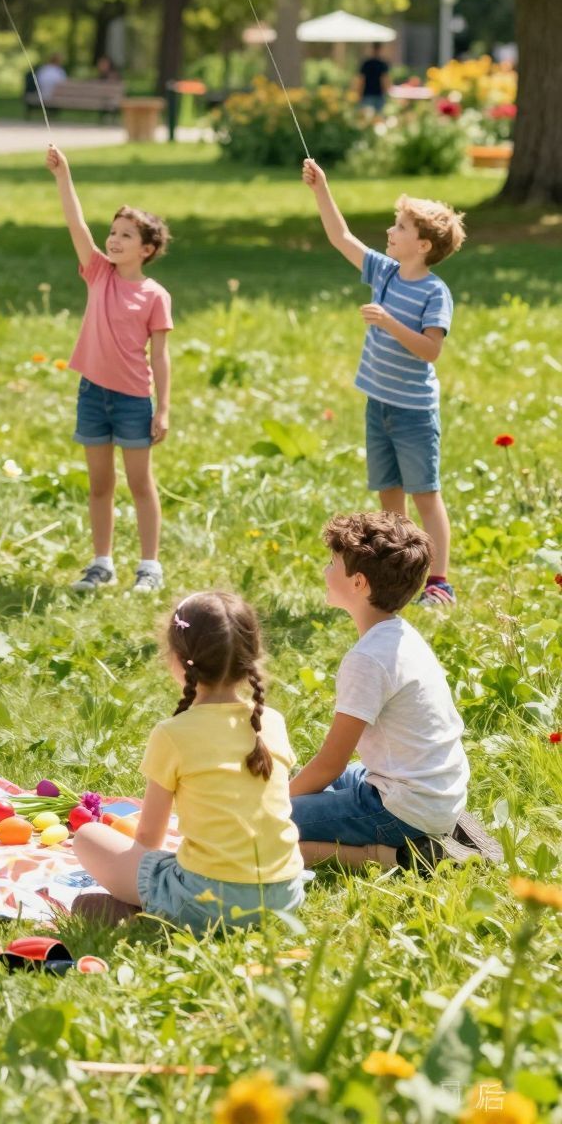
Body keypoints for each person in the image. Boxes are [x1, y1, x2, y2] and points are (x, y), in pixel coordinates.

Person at [73, 590, 307, 933]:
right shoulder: (272, 721)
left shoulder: (173, 734)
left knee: (88, 837)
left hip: (208, 901)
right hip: (283, 897)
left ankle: (150, 918)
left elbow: (149, 839)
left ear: (179, 660)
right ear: (252, 655)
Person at [302, 161, 464, 606]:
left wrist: (389, 321)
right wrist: (321, 189)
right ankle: (400, 572)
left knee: (425, 495)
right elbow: (341, 237)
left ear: (423, 245)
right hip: (379, 405)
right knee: (389, 493)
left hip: (413, 412)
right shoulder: (385, 272)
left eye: (401, 227)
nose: (390, 231)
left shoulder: (435, 292)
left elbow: (430, 350)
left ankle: (439, 582)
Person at [289, 513, 469, 869]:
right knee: (305, 784)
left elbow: (330, 764)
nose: (325, 571)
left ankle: (395, 857)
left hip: (403, 811)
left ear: (358, 583)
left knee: (265, 823)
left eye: (332, 564)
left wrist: (276, 802)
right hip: (435, 795)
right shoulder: (400, 634)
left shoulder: (368, 659)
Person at [45, 145, 172, 594]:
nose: (114, 240)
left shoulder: (155, 295)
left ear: (147, 249)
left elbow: (160, 356)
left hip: (134, 400)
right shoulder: (98, 272)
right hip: (92, 394)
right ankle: (102, 564)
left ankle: (149, 566)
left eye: (125, 235)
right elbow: (76, 224)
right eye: (113, 232)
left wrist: (163, 409)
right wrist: (63, 175)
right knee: (100, 484)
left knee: (140, 483)